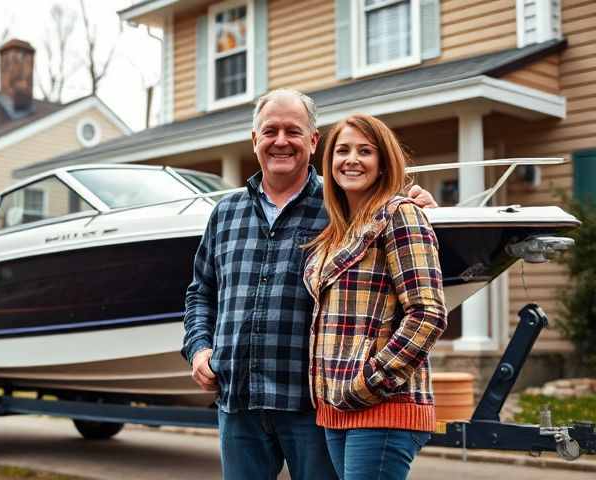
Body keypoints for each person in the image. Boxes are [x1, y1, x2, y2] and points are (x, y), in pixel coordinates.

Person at [183, 89, 437, 479]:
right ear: (254, 140)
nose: (281, 141)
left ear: (314, 141)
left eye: (293, 131)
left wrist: (417, 203)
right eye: (270, 131)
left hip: (314, 406)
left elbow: (395, 241)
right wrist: (199, 350)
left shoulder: (342, 205)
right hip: (238, 403)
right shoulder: (225, 214)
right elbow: (201, 293)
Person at [303, 113, 447, 480]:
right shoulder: (338, 232)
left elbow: (427, 313)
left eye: (365, 151)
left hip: (383, 406)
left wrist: (369, 383)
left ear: (383, 163)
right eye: (343, 150)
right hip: (336, 408)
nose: (351, 159)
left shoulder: (400, 216)